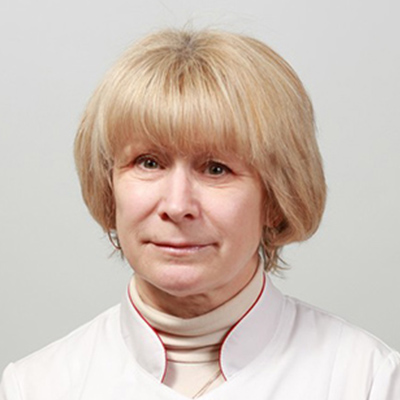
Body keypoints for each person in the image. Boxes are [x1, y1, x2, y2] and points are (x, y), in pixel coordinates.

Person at [1, 29, 399, 400]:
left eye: (216, 169)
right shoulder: (34, 387)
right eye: (148, 162)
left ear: (276, 197)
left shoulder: (368, 381)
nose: (177, 206)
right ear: (109, 184)